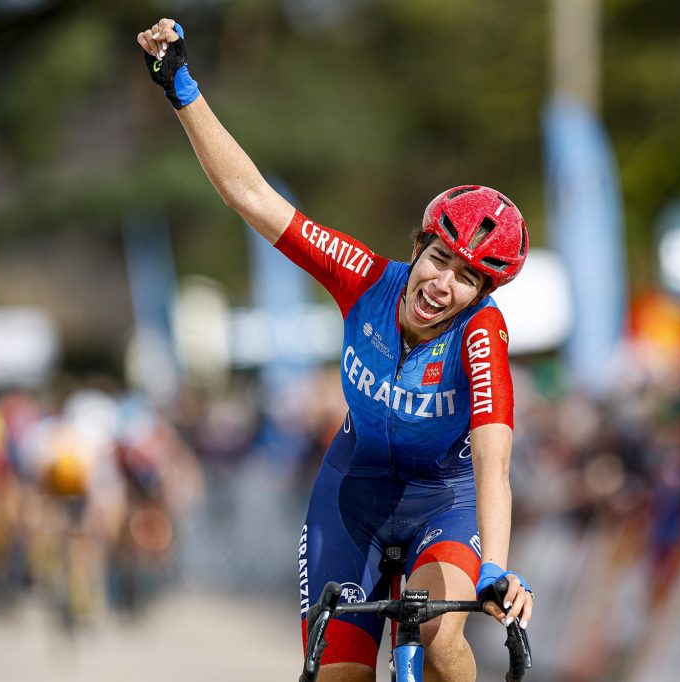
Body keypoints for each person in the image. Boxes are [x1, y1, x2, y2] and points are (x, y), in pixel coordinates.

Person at [137, 18, 534, 681]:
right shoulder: (363, 279)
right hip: (354, 493)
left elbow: (494, 463)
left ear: (482, 293)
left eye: (467, 277)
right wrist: (179, 85)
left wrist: (494, 567)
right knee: (341, 676)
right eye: (440, 259)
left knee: (440, 641)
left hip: (446, 500)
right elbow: (253, 197)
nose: (443, 283)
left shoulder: (482, 334)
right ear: (417, 246)